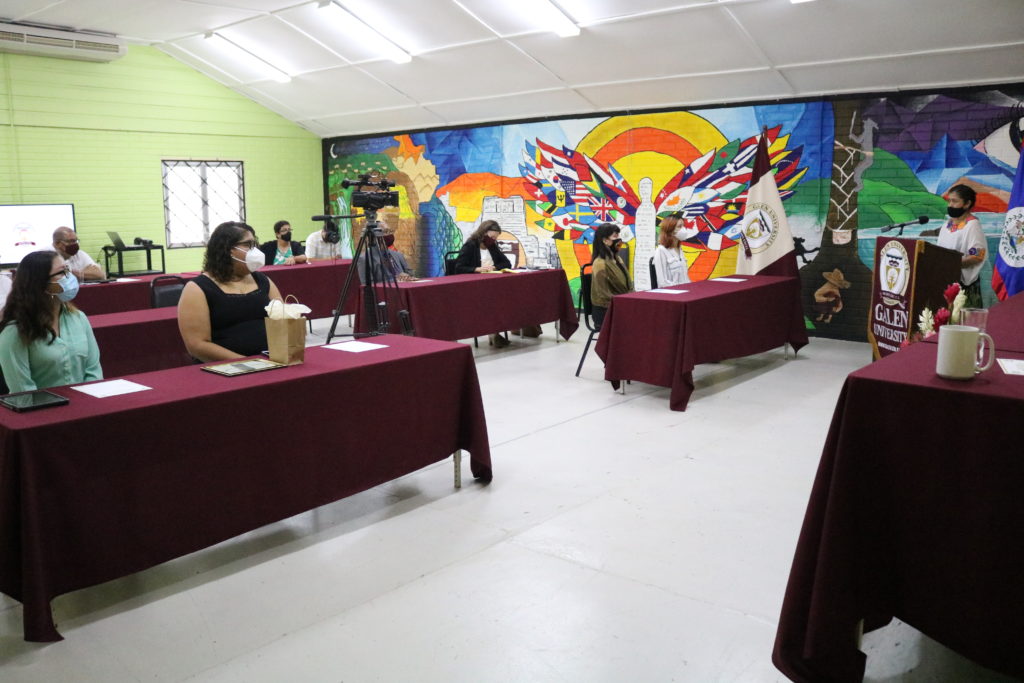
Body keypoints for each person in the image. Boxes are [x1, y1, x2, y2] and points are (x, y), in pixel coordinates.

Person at [178, 221, 282, 362]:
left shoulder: (263, 281)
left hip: (271, 361)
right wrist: (248, 363)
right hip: (226, 367)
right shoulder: (198, 289)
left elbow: (283, 320)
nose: (255, 251)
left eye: (255, 244)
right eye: (248, 245)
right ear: (227, 249)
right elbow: (197, 345)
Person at [0, 250, 103, 392]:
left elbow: (94, 370)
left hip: (85, 402)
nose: (69, 277)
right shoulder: (14, 330)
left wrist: (88, 400)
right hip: (41, 405)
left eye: (67, 270)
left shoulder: (79, 318)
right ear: (40, 282)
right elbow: (23, 390)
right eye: (62, 272)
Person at [922, 184, 987, 308]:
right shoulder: (948, 223)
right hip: (944, 280)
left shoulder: (972, 225)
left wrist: (951, 265)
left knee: (960, 319)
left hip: (963, 287)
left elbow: (978, 256)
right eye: (949, 201)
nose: (950, 205)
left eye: (954, 201)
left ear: (967, 204)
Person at [590, 222, 633, 329]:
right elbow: (603, 295)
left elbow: (628, 284)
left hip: (619, 304)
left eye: (618, 235)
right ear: (605, 241)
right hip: (605, 311)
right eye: (615, 236)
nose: (619, 239)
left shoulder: (617, 259)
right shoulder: (600, 263)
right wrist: (626, 303)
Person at [652, 214, 693, 287]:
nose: (683, 229)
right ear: (670, 229)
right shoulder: (661, 251)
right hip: (673, 292)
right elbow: (662, 283)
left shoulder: (679, 249)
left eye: (683, 226)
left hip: (686, 289)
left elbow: (685, 278)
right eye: (679, 226)